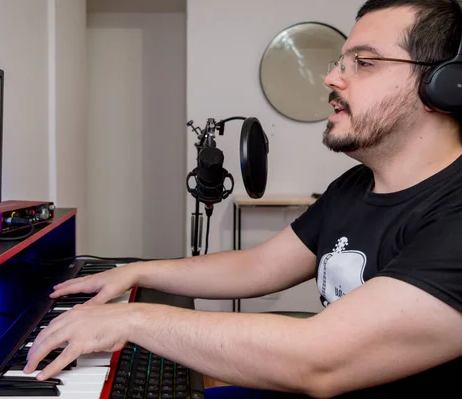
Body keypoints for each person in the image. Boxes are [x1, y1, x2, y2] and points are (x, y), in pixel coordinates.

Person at [24, 0, 462, 397]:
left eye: (362, 62)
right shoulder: (354, 187)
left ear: (444, 85)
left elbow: (320, 359)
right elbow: (259, 266)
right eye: (339, 62)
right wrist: (137, 272)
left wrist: (132, 321)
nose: (331, 78)